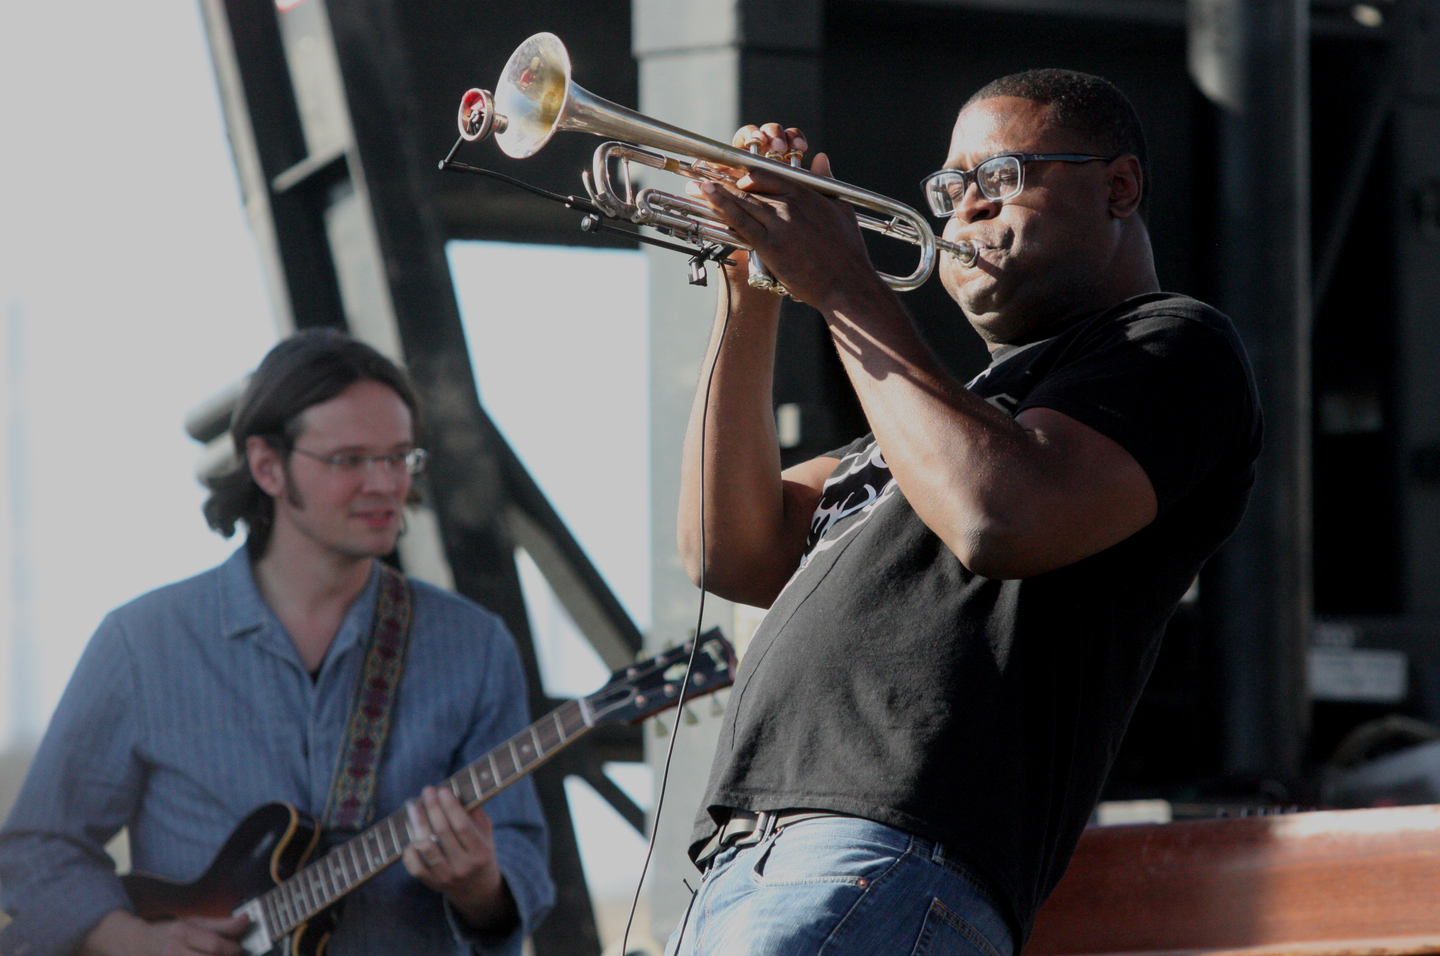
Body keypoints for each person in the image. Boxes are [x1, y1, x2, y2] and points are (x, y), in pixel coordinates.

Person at [667, 70, 1262, 955]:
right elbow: (729, 548)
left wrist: (841, 281)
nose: (966, 208)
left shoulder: (1172, 345)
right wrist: (748, 284)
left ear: (1119, 187)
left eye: (1000, 176)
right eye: (949, 189)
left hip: (885, 859)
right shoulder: (928, 428)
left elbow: (996, 516)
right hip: (747, 868)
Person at [0, 330, 554, 956]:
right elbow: (38, 849)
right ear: (266, 465)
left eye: (399, 457)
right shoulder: (142, 643)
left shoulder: (474, 646)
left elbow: (521, 857)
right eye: (349, 459)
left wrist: (482, 887)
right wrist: (131, 941)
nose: (384, 483)